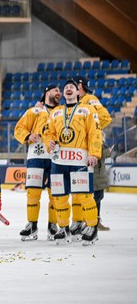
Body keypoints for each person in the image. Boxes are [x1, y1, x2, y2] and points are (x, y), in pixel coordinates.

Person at [44, 80, 102, 246]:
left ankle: (92, 227)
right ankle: (63, 228)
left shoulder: (88, 110)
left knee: (84, 195)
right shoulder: (55, 112)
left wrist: (94, 154)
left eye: (72, 87)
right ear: (63, 93)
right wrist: (50, 142)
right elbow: (48, 133)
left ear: (78, 93)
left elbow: (95, 133)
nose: (68, 89)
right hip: (59, 160)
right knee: (59, 196)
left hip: (79, 159)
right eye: (66, 87)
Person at [14, 84, 60, 241]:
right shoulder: (34, 111)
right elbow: (19, 128)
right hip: (36, 156)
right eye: (56, 90)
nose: (59, 93)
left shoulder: (62, 112)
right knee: (33, 193)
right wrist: (28, 136)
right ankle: (32, 225)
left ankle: (53, 225)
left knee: (55, 194)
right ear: (47, 93)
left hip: (56, 157)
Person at [73, 76, 112, 231]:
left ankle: (94, 220)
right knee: (81, 187)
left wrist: (90, 131)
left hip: (93, 149)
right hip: (78, 150)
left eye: (74, 84)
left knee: (96, 185)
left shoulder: (90, 99)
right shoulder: (72, 103)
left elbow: (105, 118)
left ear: (80, 85)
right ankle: (82, 220)